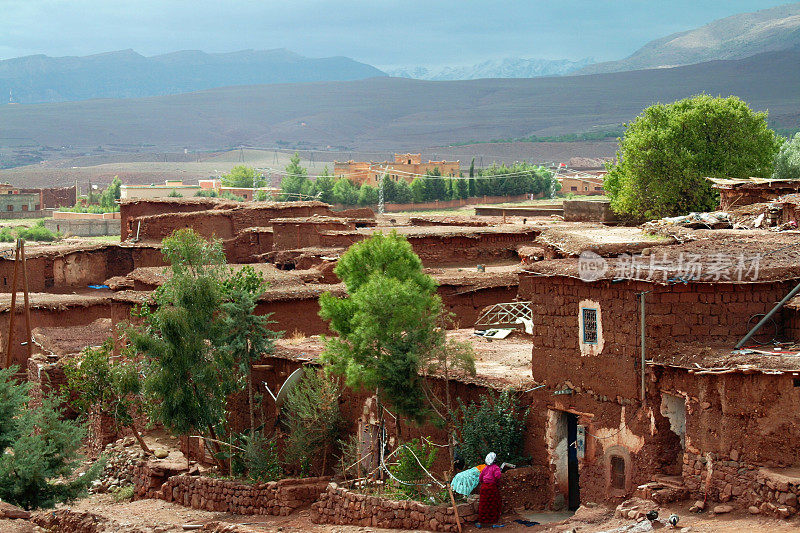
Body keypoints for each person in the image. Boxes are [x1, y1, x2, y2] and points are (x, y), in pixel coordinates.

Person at [476, 452, 503, 528]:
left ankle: (482, 522)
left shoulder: (485, 468)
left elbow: (480, 478)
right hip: (492, 488)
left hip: (484, 488)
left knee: (483, 505)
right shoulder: (496, 468)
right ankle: (494, 523)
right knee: (494, 504)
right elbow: (497, 476)